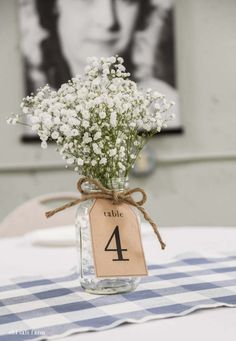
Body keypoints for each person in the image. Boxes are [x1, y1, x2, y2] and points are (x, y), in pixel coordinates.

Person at [19, 0, 180, 127]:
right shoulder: (26, 116)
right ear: (53, 5)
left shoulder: (168, 109)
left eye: (126, 0)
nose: (108, 20)